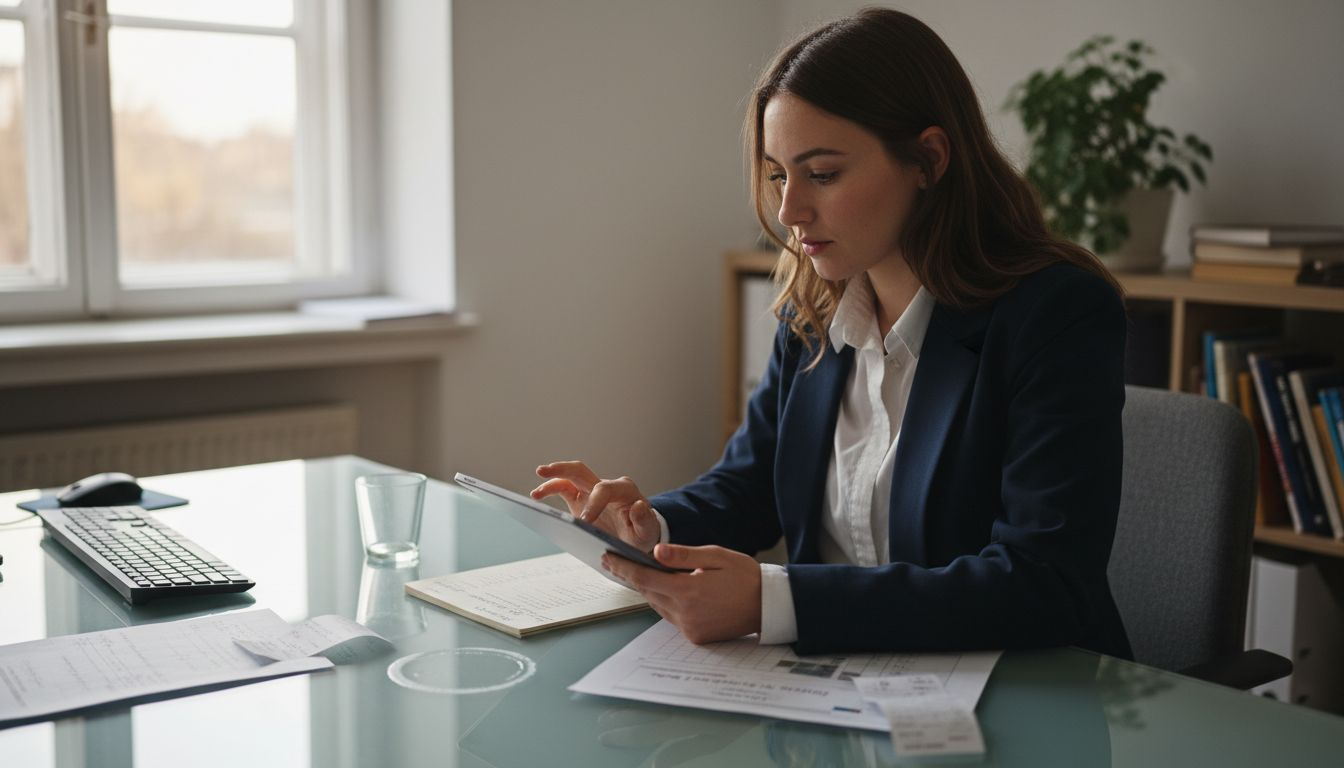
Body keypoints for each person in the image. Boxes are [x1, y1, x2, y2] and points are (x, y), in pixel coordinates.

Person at [532, 7, 1133, 659]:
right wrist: (653, 528)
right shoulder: (813, 303)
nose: (789, 211)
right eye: (777, 175)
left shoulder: (1057, 313)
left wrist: (777, 602)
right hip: (844, 694)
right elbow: (751, 485)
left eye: (821, 174)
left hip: (1026, 701)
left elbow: (1042, 586)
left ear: (928, 160)